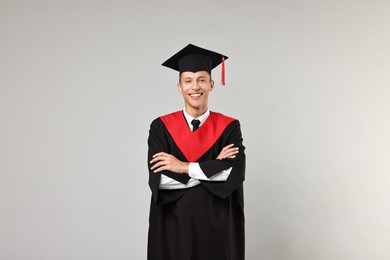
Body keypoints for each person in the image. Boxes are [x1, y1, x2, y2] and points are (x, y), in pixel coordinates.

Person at [147, 43, 246, 260]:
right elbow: (160, 180)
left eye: (201, 79)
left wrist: (183, 167)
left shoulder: (229, 127)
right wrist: (211, 169)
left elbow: (235, 174)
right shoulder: (160, 127)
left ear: (211, 84)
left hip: (217, 227)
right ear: (179, 87)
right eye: (188, 81)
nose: (195, 87)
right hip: (172, 226)